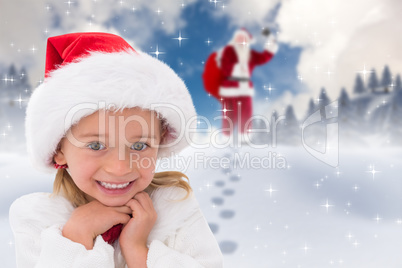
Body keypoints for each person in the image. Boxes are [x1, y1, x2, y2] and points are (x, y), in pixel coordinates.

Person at [9, 32, 223, 267]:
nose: (120, 168)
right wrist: (76, 238)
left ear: (160, 141)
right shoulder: (37, 219)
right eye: (96, 145)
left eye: (140, 146)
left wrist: (138, 251)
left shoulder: (175, 208)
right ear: (59, 148)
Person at [218, 28, 278, 138]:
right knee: (228, 114)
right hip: (229, 87)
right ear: (235, 39)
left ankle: (244, 138)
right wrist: (238, 69)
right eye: (239, 38)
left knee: (245, 113)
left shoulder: (250, 54)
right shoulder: (228, 51)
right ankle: (226, 138)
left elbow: (264, 57)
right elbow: (225, 67)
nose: (241, 41)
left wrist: (270, 40)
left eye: (244, 38)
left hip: (245, 88)